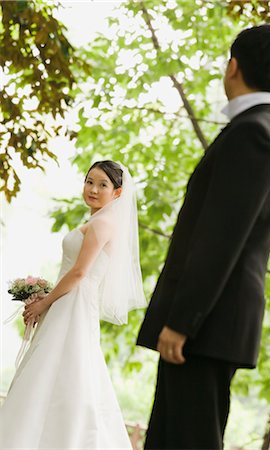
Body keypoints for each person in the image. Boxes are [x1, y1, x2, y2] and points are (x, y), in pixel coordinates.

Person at [137, 24, 270, 449]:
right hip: (212, 323)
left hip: (205, 325)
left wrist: (182, 320)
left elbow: (220, 239)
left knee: (188, 439)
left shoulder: (254, 135)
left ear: (233, 67)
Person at [0, 160, 146, 449]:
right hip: (68, 300)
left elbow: (79, 272)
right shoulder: (95, 221)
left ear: (117, 193)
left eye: (102, 184)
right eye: (89, 181)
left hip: (75, 302)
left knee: (71, 369)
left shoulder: (103, 223)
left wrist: (44, 303)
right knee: (56, 368)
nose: (93, 189)